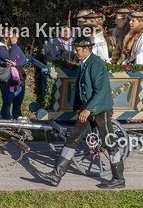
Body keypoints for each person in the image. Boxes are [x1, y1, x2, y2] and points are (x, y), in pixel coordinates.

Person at [44, 35, 124, 189]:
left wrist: (88, 109)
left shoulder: (96, 65)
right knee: (72, 139)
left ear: (87, 50)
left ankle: (119, 178)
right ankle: (56, 175)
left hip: (100, 110)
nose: (76, 52)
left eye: (78, 49)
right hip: (87, 111)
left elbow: (101, 91)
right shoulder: (84, 63)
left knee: (110, 143)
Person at [0, 28, 27, 120]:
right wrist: (14, 45)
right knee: (7, 102)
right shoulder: (0, 47)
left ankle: (18, 120)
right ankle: (6, 121)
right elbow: (10, 58)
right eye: (11, 36)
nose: (13, 38)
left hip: (18, 77)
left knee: (18, 102)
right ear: (6, 38)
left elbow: (23, 58)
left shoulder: (13, 47)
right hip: (7, 78)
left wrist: (16, 63)